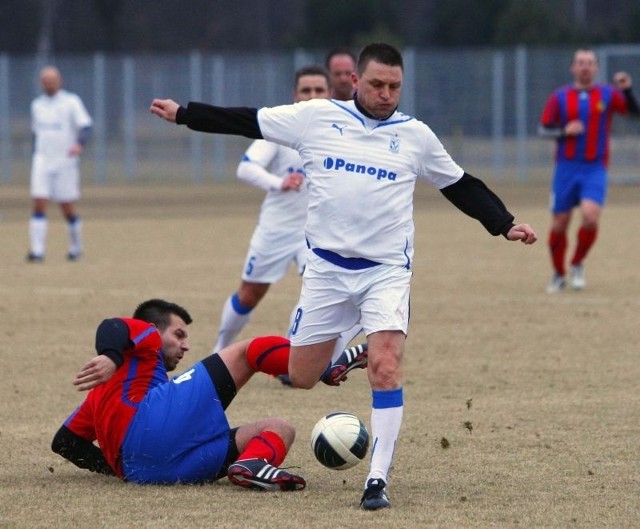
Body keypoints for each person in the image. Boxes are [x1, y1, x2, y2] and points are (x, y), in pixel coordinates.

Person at [150, 42, 538, 510]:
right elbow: (247, 119)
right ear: (355, 80)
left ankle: (377, 480)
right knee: (302, 374)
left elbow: (459, 183)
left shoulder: (414, 134)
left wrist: (504, 223)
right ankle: (346, 353)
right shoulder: (316, 117)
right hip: (327, 273)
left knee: (387, 366)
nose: (386, 93)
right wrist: (186, 114)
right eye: (376, 84)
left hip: (386, 272)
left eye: (395, 86)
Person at [51, 298, 366, 489]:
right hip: (151, 428)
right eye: (178, 334)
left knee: (280, 429)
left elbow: (65, 443)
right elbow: (112, 326)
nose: (185, 345)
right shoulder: (144, 335)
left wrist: (114, 468)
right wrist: (111, 355)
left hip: (148, 473)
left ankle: (252, 464)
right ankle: (327, 366)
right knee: (246, 352)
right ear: (150, 329)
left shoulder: (99, 398)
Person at [213, 65, 330, 353]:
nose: (312, 96)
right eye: (306, 90)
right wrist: (279, 183)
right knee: (250, 294)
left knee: (318, 294)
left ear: (329, 94)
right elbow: (246, 168)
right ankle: (220, 351)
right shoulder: (279, 129)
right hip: (277, 226)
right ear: (295, 95)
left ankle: (292, 356)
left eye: (318, 90)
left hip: (318, 232)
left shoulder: (340, 133)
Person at [539, 48, 639, 293]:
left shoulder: (608, 94)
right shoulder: (560, 96)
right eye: (580, 63)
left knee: (591, 216)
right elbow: (544, 129)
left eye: (589, 63)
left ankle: (577, 263)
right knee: (560, 223)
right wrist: (564, 132)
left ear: (596, 68)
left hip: (595, 168)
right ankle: (558, 274)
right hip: (565, 168)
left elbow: (635, 114)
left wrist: (627, 89)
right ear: (573, 67)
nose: (585, 67)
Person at [28, 66, 93, 263]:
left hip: (65, 161)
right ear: (41, 83)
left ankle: (76, 247)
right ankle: (37, 251)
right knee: (39, 202)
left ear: (60, 81)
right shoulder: (37, 105)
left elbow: (86, 126)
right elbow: (36, 133)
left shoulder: (71, 102)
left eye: (52, 79)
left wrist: (78, 144)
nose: (49, 83)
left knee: (67, 207)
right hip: (42, 161)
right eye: (45, 80)